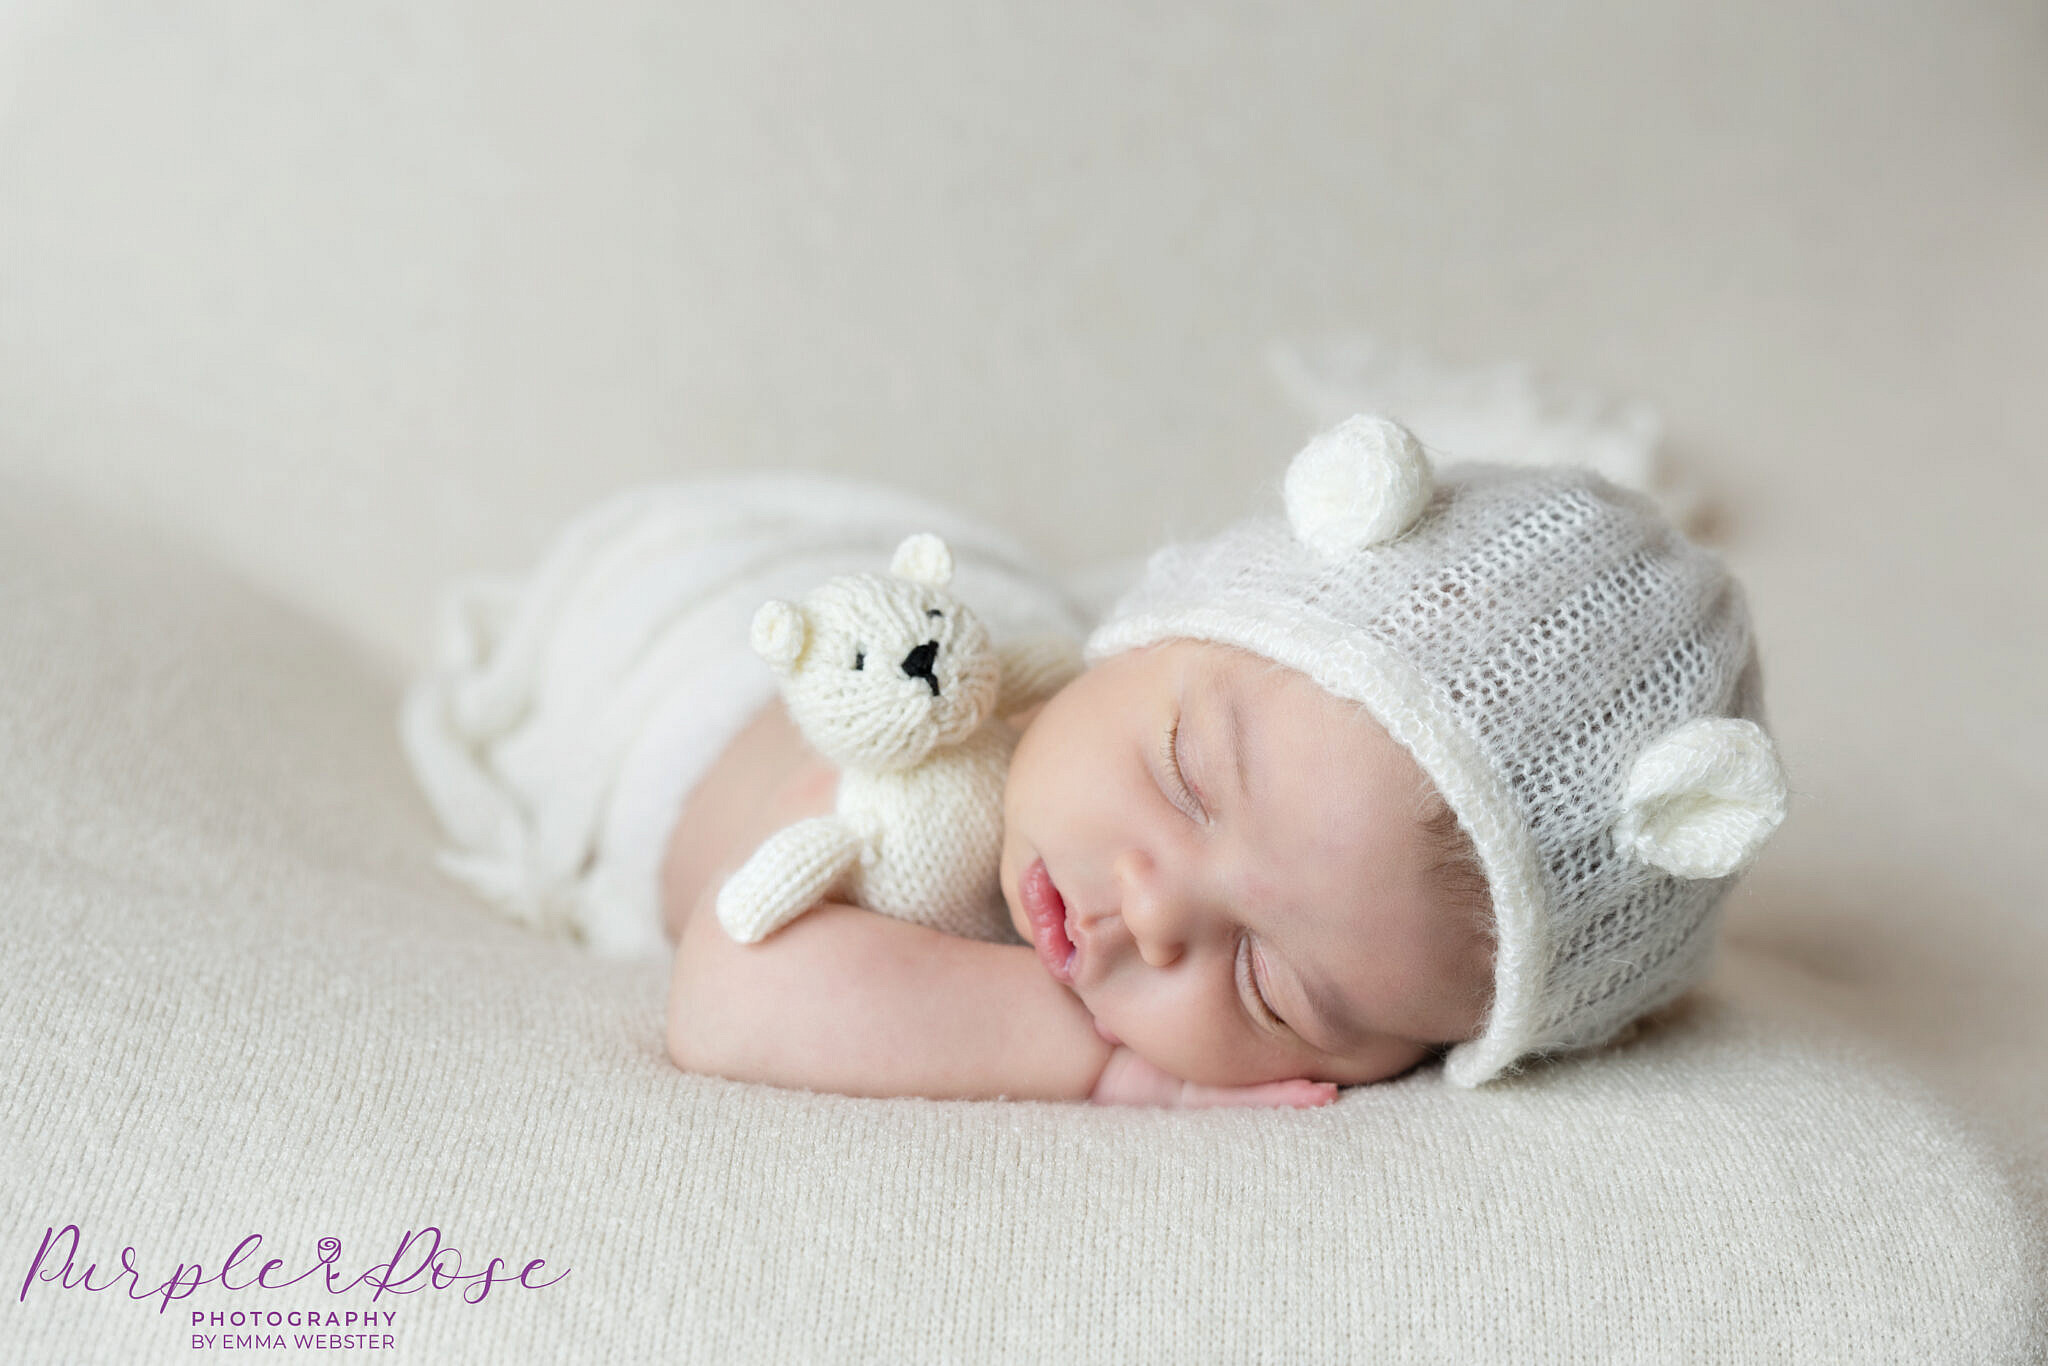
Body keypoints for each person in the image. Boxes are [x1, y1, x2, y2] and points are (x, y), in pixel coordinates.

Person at [403, 415, 1787, 1108]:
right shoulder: (901, 803)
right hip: (688, 624)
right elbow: (733, 986)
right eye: (1187, 771)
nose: (1156, 905)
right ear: (1160, 629)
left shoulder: (1147, 764)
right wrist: (1106, 1068)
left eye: (1275, 987)